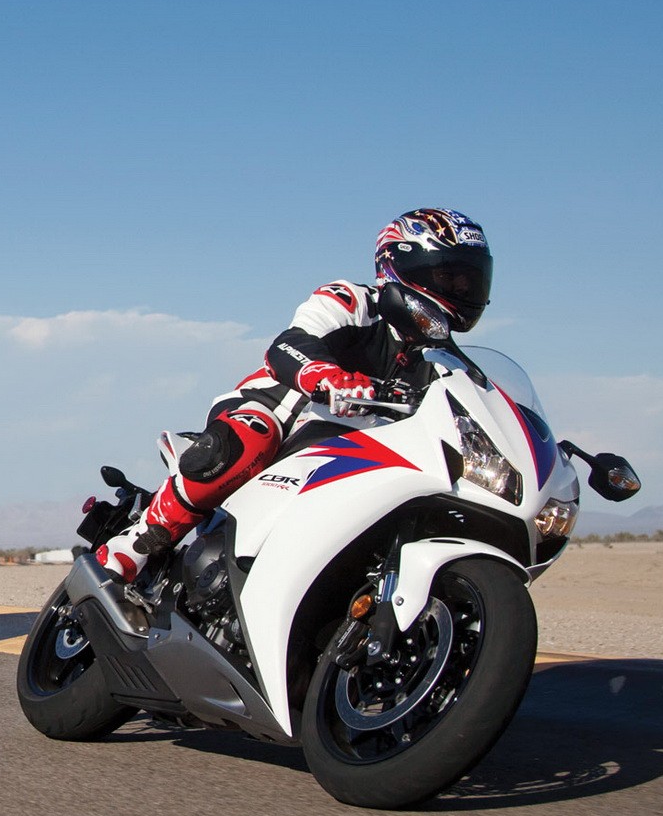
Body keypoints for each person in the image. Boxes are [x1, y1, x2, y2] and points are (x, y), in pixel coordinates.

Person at [96, 208, 494, 582]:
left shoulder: (448, 362)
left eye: (472, 280)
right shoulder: (352, 302)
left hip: (355, 456)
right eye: (452, 278)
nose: (464, 291)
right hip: (283, 416)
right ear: (401, 266)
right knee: (252, 437)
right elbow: (289, 345)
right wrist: (330, 377)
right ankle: (135, 546)